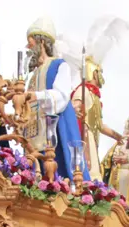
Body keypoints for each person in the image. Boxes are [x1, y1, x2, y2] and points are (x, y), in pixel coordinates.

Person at [23, 16, 90, 180]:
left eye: (30, 43)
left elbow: (61, 96)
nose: (27, 47)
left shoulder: (59, 65)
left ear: (42, 43)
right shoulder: (31, 76)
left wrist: (35, 96)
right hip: (33, 141)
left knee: (61, 181)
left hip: (55, 135)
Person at [59, 16, 129, 174]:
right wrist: (75, 109)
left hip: (93, 138)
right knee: (90, 172)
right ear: (95, 73)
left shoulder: (94, 96)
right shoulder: (84, 91)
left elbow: (100, 125)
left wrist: (118, 136)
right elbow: (75, 106)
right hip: (85, 137)